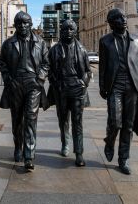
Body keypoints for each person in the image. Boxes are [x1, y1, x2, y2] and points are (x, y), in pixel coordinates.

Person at [99, 8, 138, 175]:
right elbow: (102, 67)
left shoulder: (137, 41)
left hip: (133, 87)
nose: (123, 19)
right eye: (118, 17)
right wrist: (102, 86)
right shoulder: (105, 41)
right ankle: (109, 142)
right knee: (115, 122)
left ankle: (123, 159)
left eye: (124, 16)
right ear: (111, 23)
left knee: (128, 126)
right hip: (114, 86)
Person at [0, 11, 49, 172]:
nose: (22, 25)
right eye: (19, 23)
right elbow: (2, 64)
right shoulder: (8, 44)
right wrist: (9, 80)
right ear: (15, 25)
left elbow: (46, 63)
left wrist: (40, 79)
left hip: (33, 84)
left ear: (31, 24)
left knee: (30, 118)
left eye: (25, 22)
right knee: (17, 121)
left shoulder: (40, 43)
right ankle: (18, 147)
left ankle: (29, 155)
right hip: (15, 84)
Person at [48, 20, 92, 167]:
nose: (68, 32)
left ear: (75, 31)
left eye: (71, 29)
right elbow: (50, 71)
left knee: (77, 122)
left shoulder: (82, 49)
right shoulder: (54, 50)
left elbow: (87, 71)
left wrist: (83, 83)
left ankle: (79, 153)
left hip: (77, 89)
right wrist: (56, 83)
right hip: (61, 89)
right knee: (63, 120)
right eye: (65, 29)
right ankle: (65, 143)